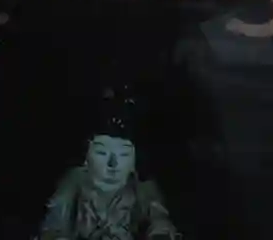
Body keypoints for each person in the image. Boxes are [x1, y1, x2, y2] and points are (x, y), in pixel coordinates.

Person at [39, 89, 179, 240]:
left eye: (124, 154)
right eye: (101, 153)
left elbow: (159, 221)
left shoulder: (142, 188)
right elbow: (53, 226)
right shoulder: (74, 182)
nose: (113, 164)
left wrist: (160, 234)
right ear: (86, 157)